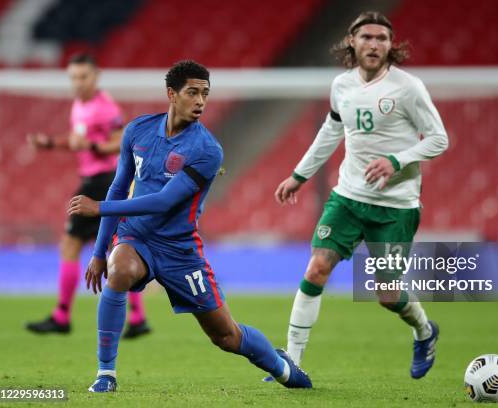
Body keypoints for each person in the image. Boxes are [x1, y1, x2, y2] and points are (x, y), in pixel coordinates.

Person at [68, 60, 312, 392]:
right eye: (192, 92)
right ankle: (105, 374)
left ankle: (283, 367)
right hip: (136, 236)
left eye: (205, 94)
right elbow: (117, 185)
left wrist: (99, 209)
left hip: (180, 250)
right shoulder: (137, 132)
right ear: (172, 94)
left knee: (226, 336)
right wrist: (99, 252)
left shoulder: (207, 150)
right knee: (119, 269)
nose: (200, 101)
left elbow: (164, 201)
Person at [273, 11, 448, 380]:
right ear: (352, 41)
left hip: (396, 206)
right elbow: (331, 131)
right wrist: (299, 175)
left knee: (387, 295)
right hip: (348, 197)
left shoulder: (408, 88)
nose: (374, 44)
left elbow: (438, 139)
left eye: (382, 38)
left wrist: (396, 160)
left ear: (390, 45)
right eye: (367, 37)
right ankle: (291, 360)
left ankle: (424, 330)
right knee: (317, 267)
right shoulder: (342, 86)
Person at [26, 53, 151, 339]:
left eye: (83, 77)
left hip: (102, 181)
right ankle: (138, 317)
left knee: (70, 244)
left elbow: (121, 140)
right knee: (114, 248)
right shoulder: (79, 106)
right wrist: (49, 143)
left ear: (95, 76)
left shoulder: (103, 106)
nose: (77, 83)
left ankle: (61, 316)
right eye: (73, 77)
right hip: (95, 180)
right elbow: (76, 139)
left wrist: (94, 146)